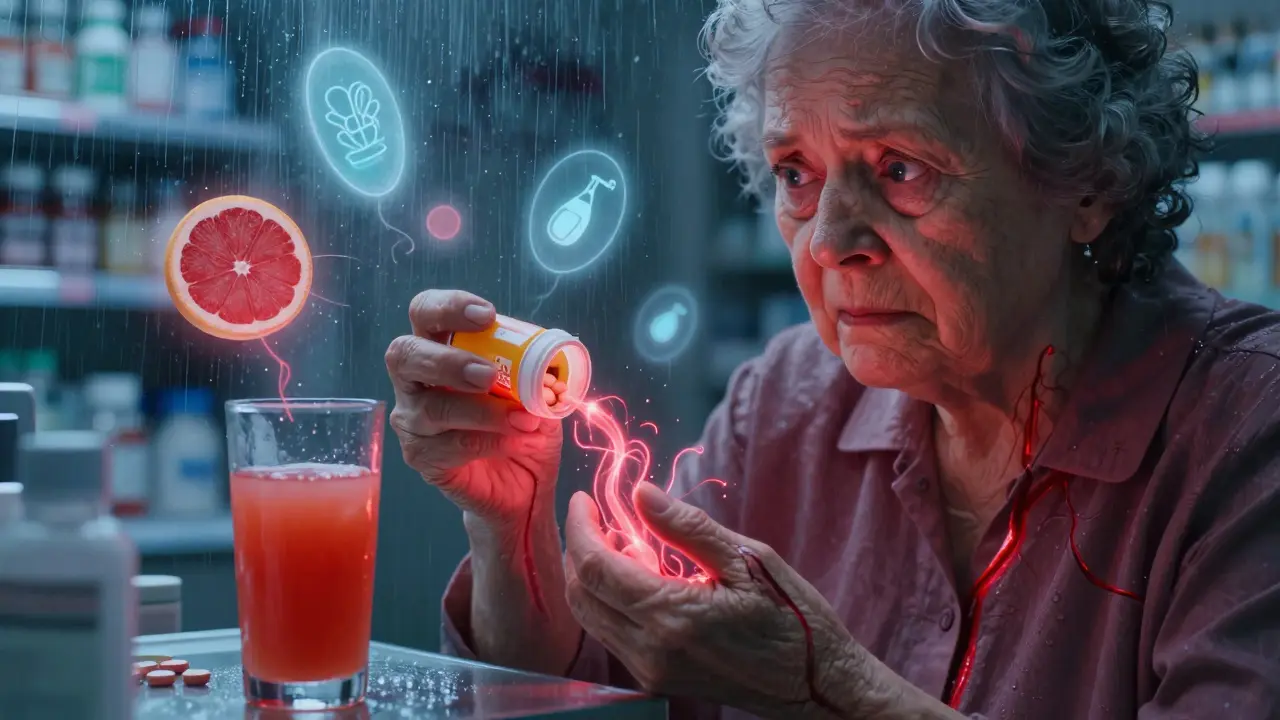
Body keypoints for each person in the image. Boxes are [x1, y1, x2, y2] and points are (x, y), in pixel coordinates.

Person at [383, 0, 1280, 717]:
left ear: (1087, 180)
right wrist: (512, 528)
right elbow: (600, 688)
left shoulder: (1246, 428)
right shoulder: (785, 402)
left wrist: (827, 691)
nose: (831, 241)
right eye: (796, 174)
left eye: (901, 169)